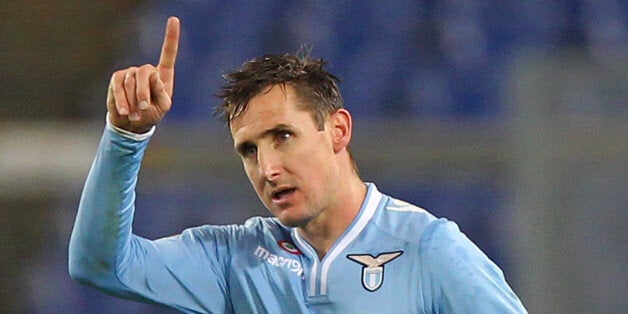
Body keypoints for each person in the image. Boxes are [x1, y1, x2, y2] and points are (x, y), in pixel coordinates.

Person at [69, 17, 527, 313]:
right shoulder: (236, 260)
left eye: (282, 137)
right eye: (249, 150)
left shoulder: (429, 249)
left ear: (339, 131)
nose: (267, 168)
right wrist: (127, 138)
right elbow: (102, 264)